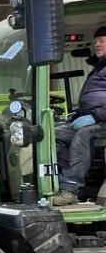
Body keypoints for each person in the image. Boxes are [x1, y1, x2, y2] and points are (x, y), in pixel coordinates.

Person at [53, 26, 106, 205]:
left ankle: (70, 190)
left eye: (102, 41)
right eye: (95, 41)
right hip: (95, 119)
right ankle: (64, 182)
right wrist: (78, 114)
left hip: (102, 121)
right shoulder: (99, 67)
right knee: (55, 135)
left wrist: (95, 117)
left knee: (83, 135)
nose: (97, 45)